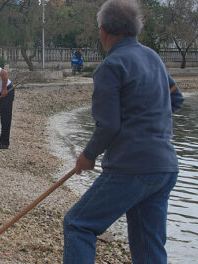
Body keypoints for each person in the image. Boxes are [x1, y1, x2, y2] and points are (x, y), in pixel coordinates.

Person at [62, 1, 184, 263]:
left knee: (78, 224)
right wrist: (148, 126)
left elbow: (109, 126)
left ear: (103, 31)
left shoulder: (110, 66)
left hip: (132, 168)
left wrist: (88, 155)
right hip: (165, 168)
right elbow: (176, 100)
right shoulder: (153, 57)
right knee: (148, 245)